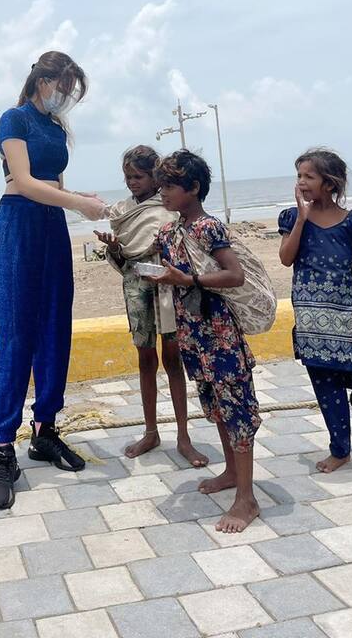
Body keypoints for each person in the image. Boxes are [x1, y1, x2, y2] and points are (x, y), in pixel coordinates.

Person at [0, 52, 107, 510]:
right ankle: (4, 450)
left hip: (52, 227)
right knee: (17, 336)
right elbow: (23, 181)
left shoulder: (55, 128)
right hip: (18, 225)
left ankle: (45, 431)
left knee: (56, 329)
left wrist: (76, 197)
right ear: (44, 80)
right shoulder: (13, 119)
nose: (67, 96)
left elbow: (53, 183)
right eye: (65, 86)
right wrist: (77, 203)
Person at [150, 150, 260, 534]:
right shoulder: (170, 232)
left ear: (194, 188)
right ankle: (231, 472)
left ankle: (247, 499)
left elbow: (235, 275)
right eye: (161, 186)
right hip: (194, 335)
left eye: (170, 186)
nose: (163, 193)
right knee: (216, 406)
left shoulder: (208, 228)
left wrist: (189, 280)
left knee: (236, 410)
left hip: (220, 335)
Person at [95, 145, 208, 467]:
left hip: (169, 285)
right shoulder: (123, 211)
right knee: (146, 358)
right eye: (128, 177)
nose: (132, 182)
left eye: (139, 176)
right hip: (137, 287)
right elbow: (126, 259)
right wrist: (114, 249)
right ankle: (150, 432)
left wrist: (166, 252)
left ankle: (183, 436)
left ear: (154, 178)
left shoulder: (169, 205)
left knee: (173, 359)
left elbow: (185, 246)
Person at [279, 148, 352, 473]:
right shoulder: (291, 218)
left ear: (329, 183)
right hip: (311, 322)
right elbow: (286, 258)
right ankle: (340, 450)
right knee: (327, 388)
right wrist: (302, 218)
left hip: (347, 317)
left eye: (309, 176)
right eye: (299, 175)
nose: (301, 182)